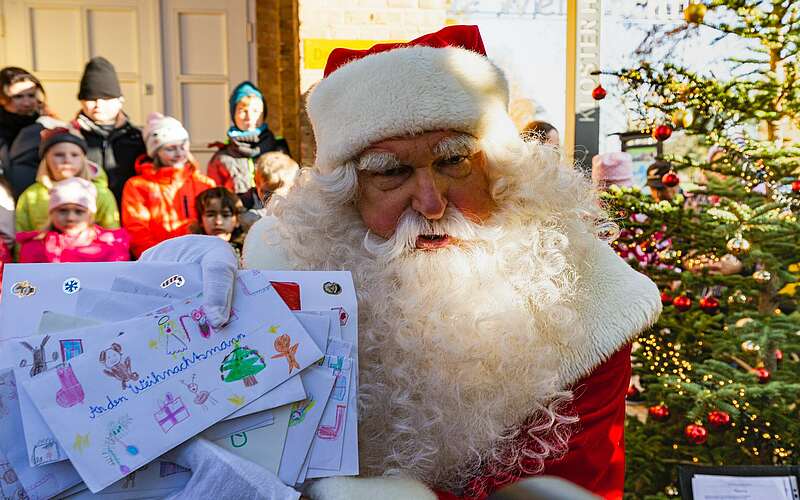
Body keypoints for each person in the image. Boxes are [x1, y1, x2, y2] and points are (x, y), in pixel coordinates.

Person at [142, 25, 660, 500]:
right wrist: (164, 313)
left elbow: (577, 484)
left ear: (500, 171)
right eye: (389, 171)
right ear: (345, 196)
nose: (431, 203)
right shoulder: (292, 283)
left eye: (454, 160)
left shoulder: (589, 304)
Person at [121, 112, 215, 258]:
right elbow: (137, 230)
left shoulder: (204, 183)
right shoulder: (137, 186)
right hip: (159, 262)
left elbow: (215, 223)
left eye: (183, 146)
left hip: (200, 258)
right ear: (156, 152)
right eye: (170, 149)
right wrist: (156, 258)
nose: (179, 153)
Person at [16, 125, 119, 233]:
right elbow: (21, 235)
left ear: (84, 159)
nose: (67, 160)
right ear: (46, 159)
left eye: (74, 155)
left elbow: (113, 237)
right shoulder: (30, 195)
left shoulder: (101, 194)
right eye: (59, 155)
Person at [74, 57, 147, 203]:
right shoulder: (70, 136)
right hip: (83, 215)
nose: (98, 104)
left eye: (106, 98)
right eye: (91, 99)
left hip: (132, 216)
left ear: (120, 101)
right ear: (81, 101)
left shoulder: (139, 138)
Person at [17, 177, 129, 263]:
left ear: (90, 214)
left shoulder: (112, 247)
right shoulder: (33, 248)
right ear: (51, 213)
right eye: (62, 210)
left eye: (79, 211)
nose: (70, 218)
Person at [206, 81, 290, 194]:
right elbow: (216, 198)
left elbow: (291, 186)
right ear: (233, 115)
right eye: (242, 110)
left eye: (256, 111)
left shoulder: (279, 149)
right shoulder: (222, 157)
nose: (249, 117)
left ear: (263, 114)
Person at [238, 151, 299, 232]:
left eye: (278, 195)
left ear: (293, 187)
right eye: (266, 193)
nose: (271, 199)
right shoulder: (245, 202)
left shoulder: (297, 203)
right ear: (256, 181)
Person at [191, 186, 244, 258]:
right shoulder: (191, 253)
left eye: (226, 215)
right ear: (200, 220)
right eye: (210, 215)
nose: (218, 222)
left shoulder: (248, 251)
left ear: (237, 220)